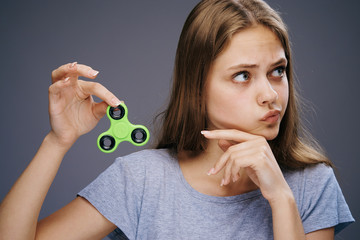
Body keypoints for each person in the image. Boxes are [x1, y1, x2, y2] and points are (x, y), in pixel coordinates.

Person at [0, 0, 354, 239]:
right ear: (197, 86)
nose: (271, 94)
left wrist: (280, 197)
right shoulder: (141, 181)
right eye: (243, 75)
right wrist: (57, 141)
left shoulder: (311, 185)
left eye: (278, 71)